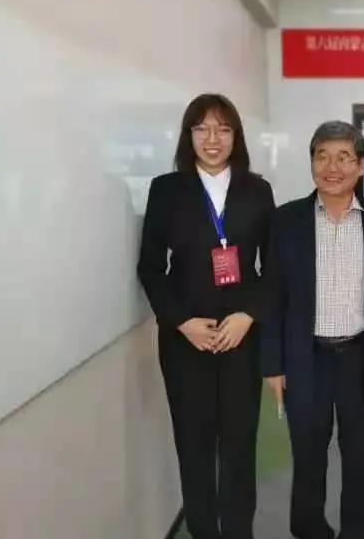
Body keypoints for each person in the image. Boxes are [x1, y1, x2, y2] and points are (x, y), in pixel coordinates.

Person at [137, 93, 276, 539]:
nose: (212, 139)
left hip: (241, 340)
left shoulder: (257, 190)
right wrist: (182, 322)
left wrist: (248, 315)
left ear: (236, 136)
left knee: (239, 447)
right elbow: (151, 268)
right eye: (202, 129)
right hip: (185, 342)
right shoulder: (167, 190)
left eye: (223, 129)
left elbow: (274, 268)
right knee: (193, 446)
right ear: (188, 136)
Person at [261, 121, 364, 539]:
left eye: (344, 157)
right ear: (311, 162)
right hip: (305, 358)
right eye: (322, 156)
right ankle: (310, 531)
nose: (332, 167)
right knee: (308, 458)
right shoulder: (286, 220)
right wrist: (273, 364)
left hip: (361, 358)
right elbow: (272, 294)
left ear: (360, 166)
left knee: (360, 459)